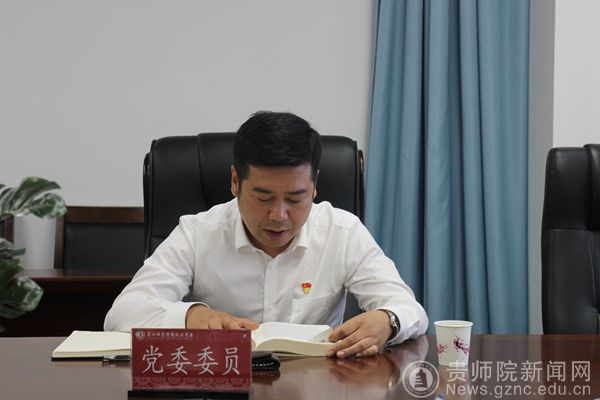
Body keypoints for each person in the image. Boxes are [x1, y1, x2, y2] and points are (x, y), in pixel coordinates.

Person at [104, 111, 428, 358]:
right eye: (263, 198)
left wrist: (387, 320)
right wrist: (192, 315)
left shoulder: (342, 232)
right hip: (222, 381)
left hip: (318, 383)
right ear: (235, 182)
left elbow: (409, 308)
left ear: (314, 185)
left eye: (295, 198)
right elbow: (122, 313)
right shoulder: (198, 233)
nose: (279, 215)